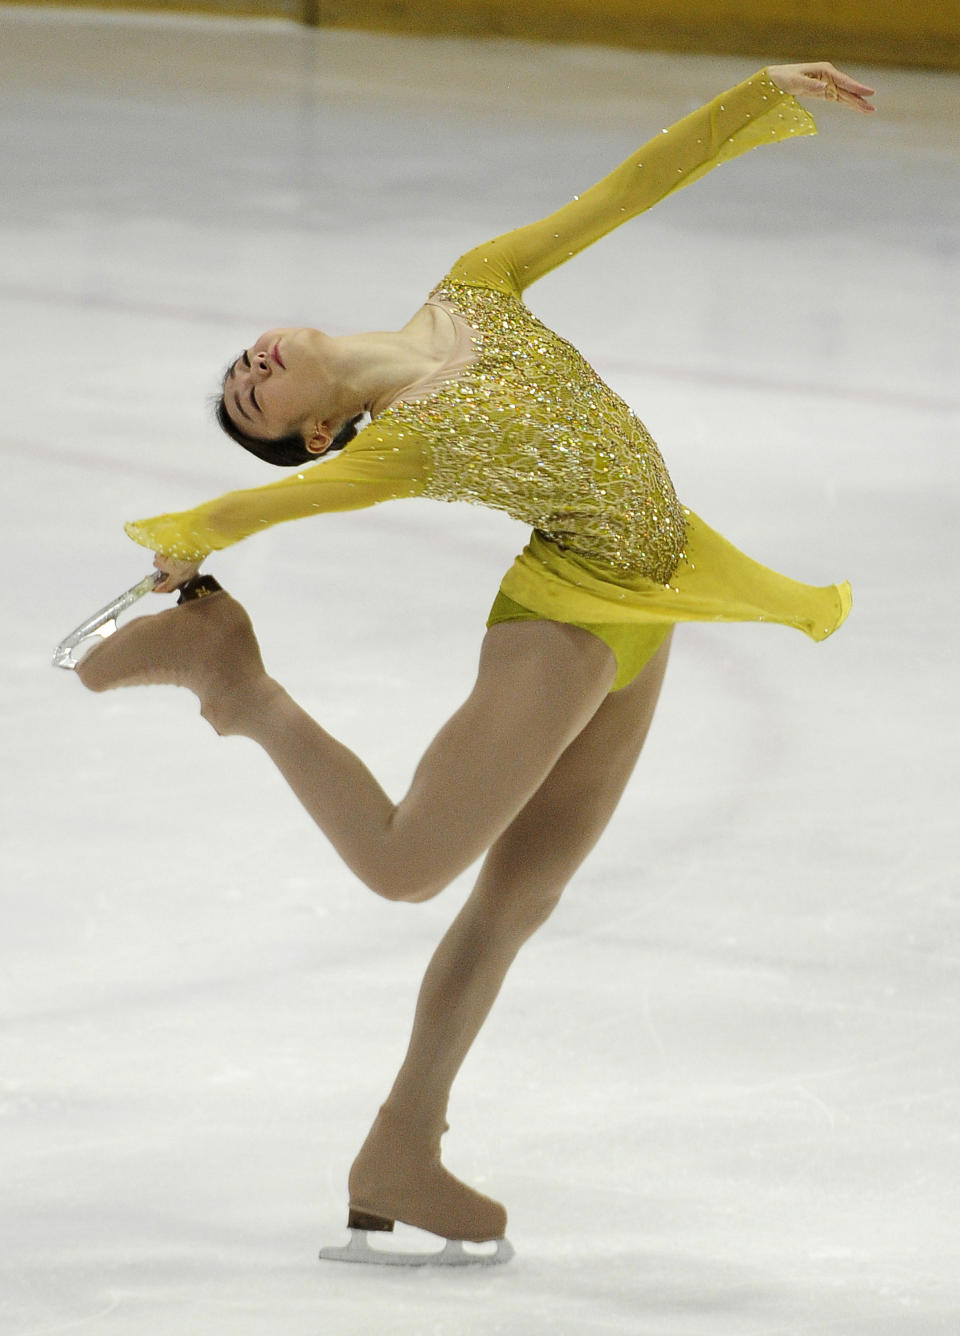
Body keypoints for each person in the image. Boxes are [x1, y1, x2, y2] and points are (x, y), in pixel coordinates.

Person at [74, 61, 876, 1263]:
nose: (248, 369)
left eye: (245, 365)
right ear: (317, 431)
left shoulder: (475, 285)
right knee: (409, 866)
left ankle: (405, 1141)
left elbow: (615, 195)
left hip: (648, 602)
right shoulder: (391, 448)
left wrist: (753, 100)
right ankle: (235, 681)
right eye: (252, 398)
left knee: (521, 896)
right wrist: (190, 536)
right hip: (564, 614)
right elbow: (267, 509)